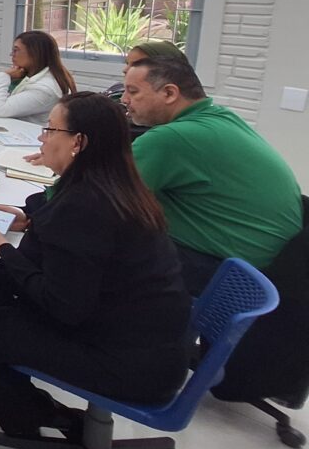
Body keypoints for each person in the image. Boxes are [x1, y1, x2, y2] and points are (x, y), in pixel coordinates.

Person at [0, 92, 191, 438]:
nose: (42, 138)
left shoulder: (85, 204)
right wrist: (30, 222)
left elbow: (62, 307)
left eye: (51, 130)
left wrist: (2, 248)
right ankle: (26, 404)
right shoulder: (116, 185)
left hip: (126, 364)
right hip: (150, 343)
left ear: (78, 142)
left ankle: (38, 420)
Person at [123, 55, 301, 294]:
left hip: (232, 275)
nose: (124, 100)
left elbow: (102, 196)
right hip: (274, 267)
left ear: (169, 93)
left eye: (133, 92)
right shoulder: (222, 117)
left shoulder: (170, 139)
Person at [0, 30, 76, 124]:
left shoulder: (44, 89)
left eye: (16, 50)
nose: (11, 54)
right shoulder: (29, 76)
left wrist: (3, 76)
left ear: (34, 53)